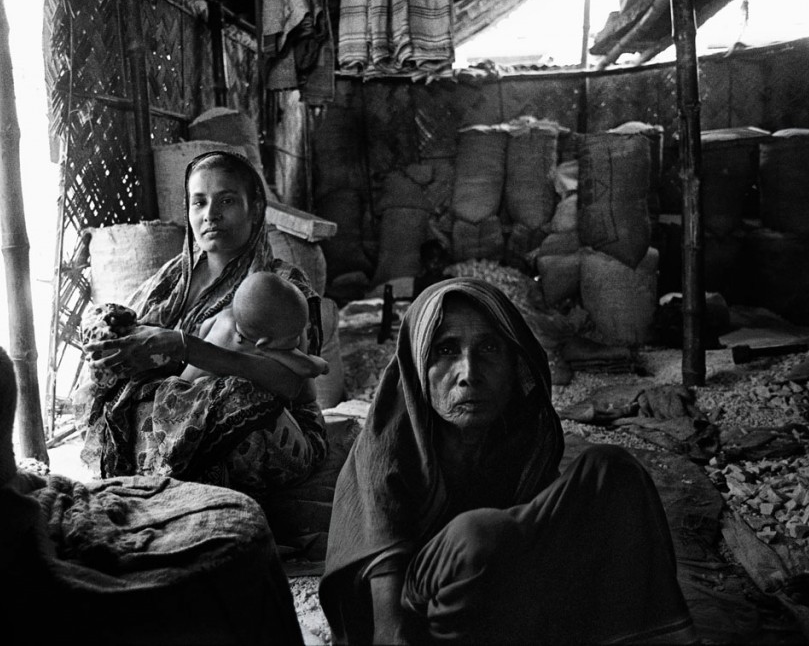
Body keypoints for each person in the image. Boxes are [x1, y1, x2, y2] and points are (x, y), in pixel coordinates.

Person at [320, 278, 696, 644]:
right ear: (418, 364)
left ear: (516, 365)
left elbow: (537, 542)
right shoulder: (387, 446)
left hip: (495, 588)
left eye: (488, 349)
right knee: (477, 536)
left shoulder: (519, 434)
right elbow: (388, 627)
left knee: (612, 470)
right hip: (419, 609)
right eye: (446, 350)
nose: (469, 374)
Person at [79, 151, 328, 493]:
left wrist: (186, 348)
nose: (211, 215)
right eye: (199, 203)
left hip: (275, 429)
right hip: (177, 415)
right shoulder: (173, 279)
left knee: (239, 394)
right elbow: (133, 334)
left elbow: (295, 386)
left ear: (254, 210)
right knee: (110, 354)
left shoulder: (279, 285)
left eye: (226, 200)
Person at [180, 271, 329, 401]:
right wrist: (320, 363)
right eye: (293, 337)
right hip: (195, 403)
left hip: (176, 387)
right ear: (264, 343)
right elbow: (308, 378)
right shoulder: (264, 349)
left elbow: (203, 332)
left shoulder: (220, 317)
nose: (298, 340)